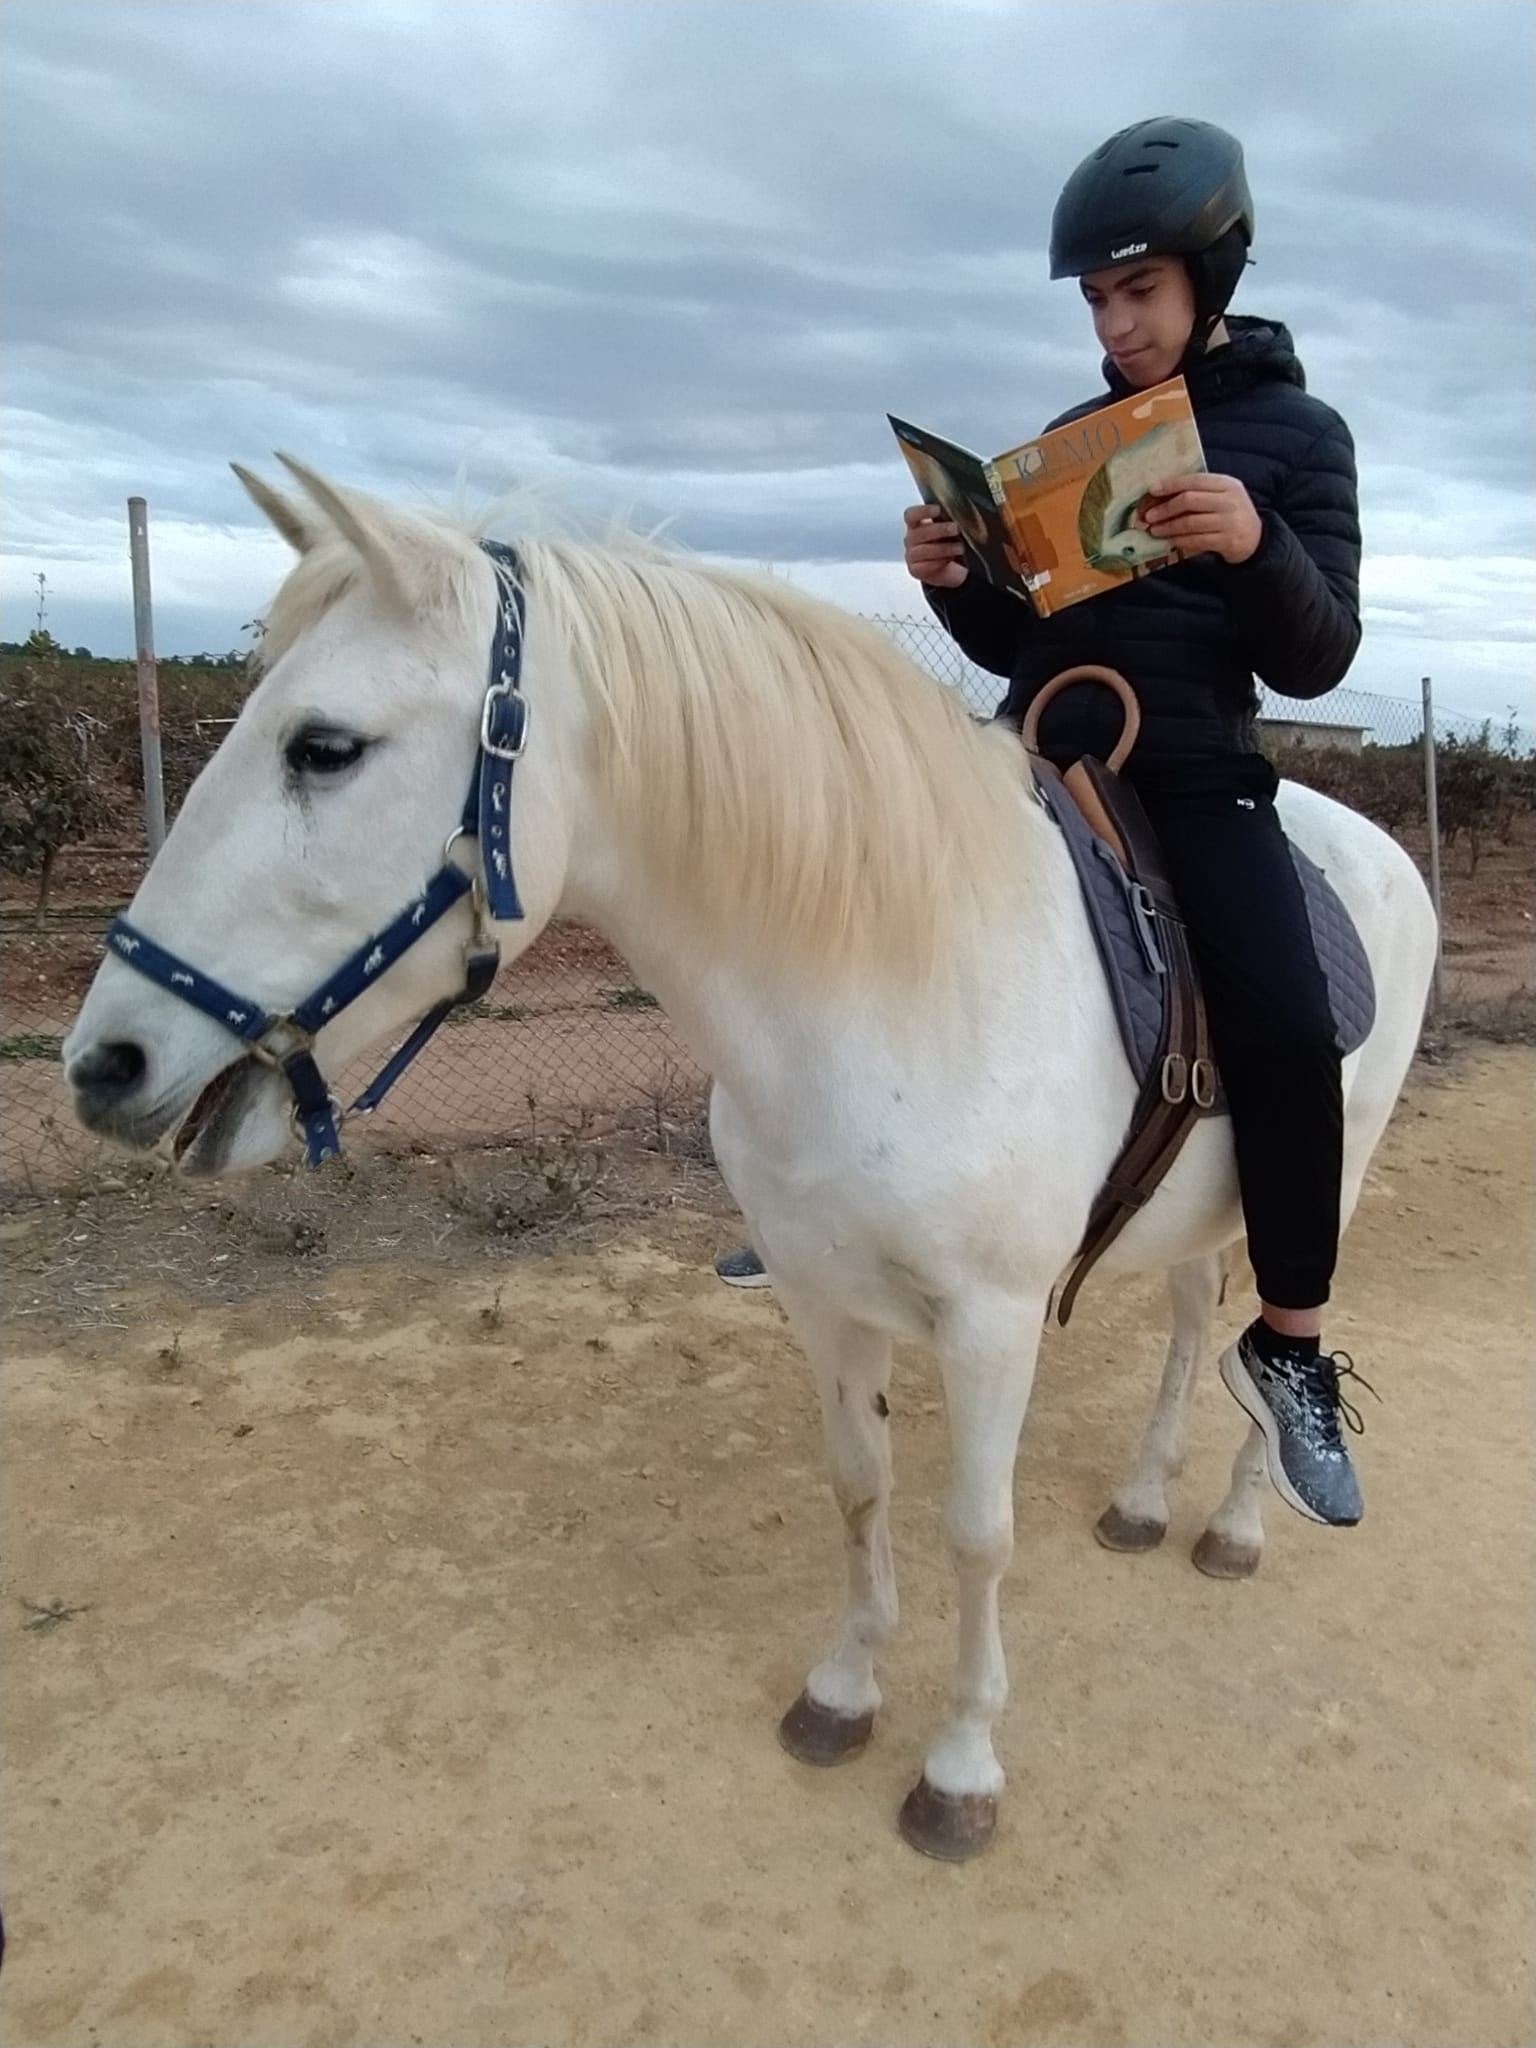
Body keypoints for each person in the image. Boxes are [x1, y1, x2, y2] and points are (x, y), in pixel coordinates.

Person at [717, 116, 1371, 1529]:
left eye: (1139, 293)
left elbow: (1320, 657)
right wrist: (957, 576)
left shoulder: (1297, 439)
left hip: (1191, 771)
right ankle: (823, 1211)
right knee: (842, 914)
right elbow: (1023, 633)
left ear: (1212, 276)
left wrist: (1254, 545)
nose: (1118, 323)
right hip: (1032, 749)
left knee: (1285, 1015)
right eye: (1097, 300)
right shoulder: (1072, 447)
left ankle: (1295, 1343)